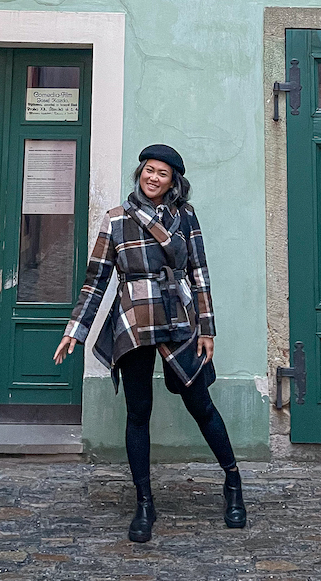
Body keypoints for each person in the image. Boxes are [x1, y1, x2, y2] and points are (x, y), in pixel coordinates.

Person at [54, 144, 246, 542]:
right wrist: (76, 328)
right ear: (140, 173)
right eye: (149, 170)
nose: (153, 177)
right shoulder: (115, 220)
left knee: (201, 404)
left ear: (174, 181)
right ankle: (144, 502)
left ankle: (233, 482)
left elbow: (199, 273)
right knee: (138, 410)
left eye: (162, 173)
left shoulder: (185, 217)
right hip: (134, 318)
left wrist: (207, 329)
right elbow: (96, 280)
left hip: (180, 316)